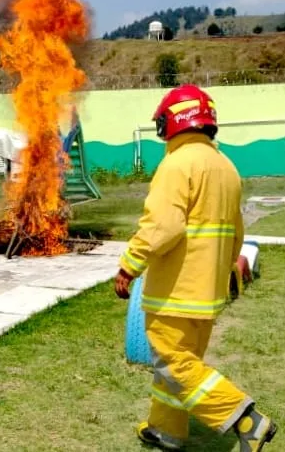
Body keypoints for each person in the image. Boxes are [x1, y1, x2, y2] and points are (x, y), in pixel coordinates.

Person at [114, 84, 276, 452]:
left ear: (173, 122)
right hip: (207, 293)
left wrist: (129, 265)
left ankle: (246, 419)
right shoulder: (227, 167)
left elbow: (162, 227)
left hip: (175, 291)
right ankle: (166, 430)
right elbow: (237, 235)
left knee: (175, 366)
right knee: (179, 365)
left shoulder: (177, 164)